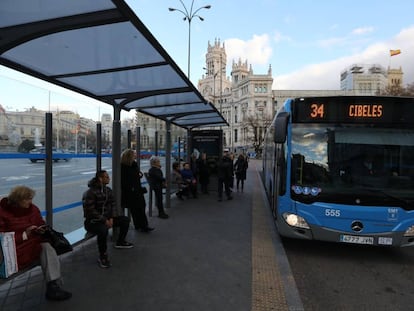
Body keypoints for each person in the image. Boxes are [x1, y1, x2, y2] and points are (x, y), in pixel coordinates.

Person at [0, 186, 72, 301]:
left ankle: (53, 285)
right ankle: (53, 285)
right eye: (27, 199)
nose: (30, 202)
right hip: (14, 250)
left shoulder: (33, 209)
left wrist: (40, 229)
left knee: (47, 247)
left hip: (34, 244)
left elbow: (40, 222)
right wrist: (24, 235)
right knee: (46, 250)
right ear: (18, 200)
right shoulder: (3, 213)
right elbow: (2, 238)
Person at [82, 170, 133, 269]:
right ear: (100, 179)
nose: (109, 178)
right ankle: (103, 255)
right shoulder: (90, 193)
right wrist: (105, 220)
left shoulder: (108, 190)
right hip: (92, 222)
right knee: (103, 230)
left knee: (125, 220)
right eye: (106, 177)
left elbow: (113, 204)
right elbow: (90, 211)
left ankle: (120, 242)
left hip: (107, 219)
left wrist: (111, 218)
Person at [121, 149, 154, 233]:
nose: (135, 155)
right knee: (136, 208)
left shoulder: (133, 164)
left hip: (136, 189)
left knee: (140, 207)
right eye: (134, 154)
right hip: (131, 191)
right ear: (129, 156)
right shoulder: (124, 166)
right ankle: (142, 225)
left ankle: (141, 225)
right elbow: (125, 180)